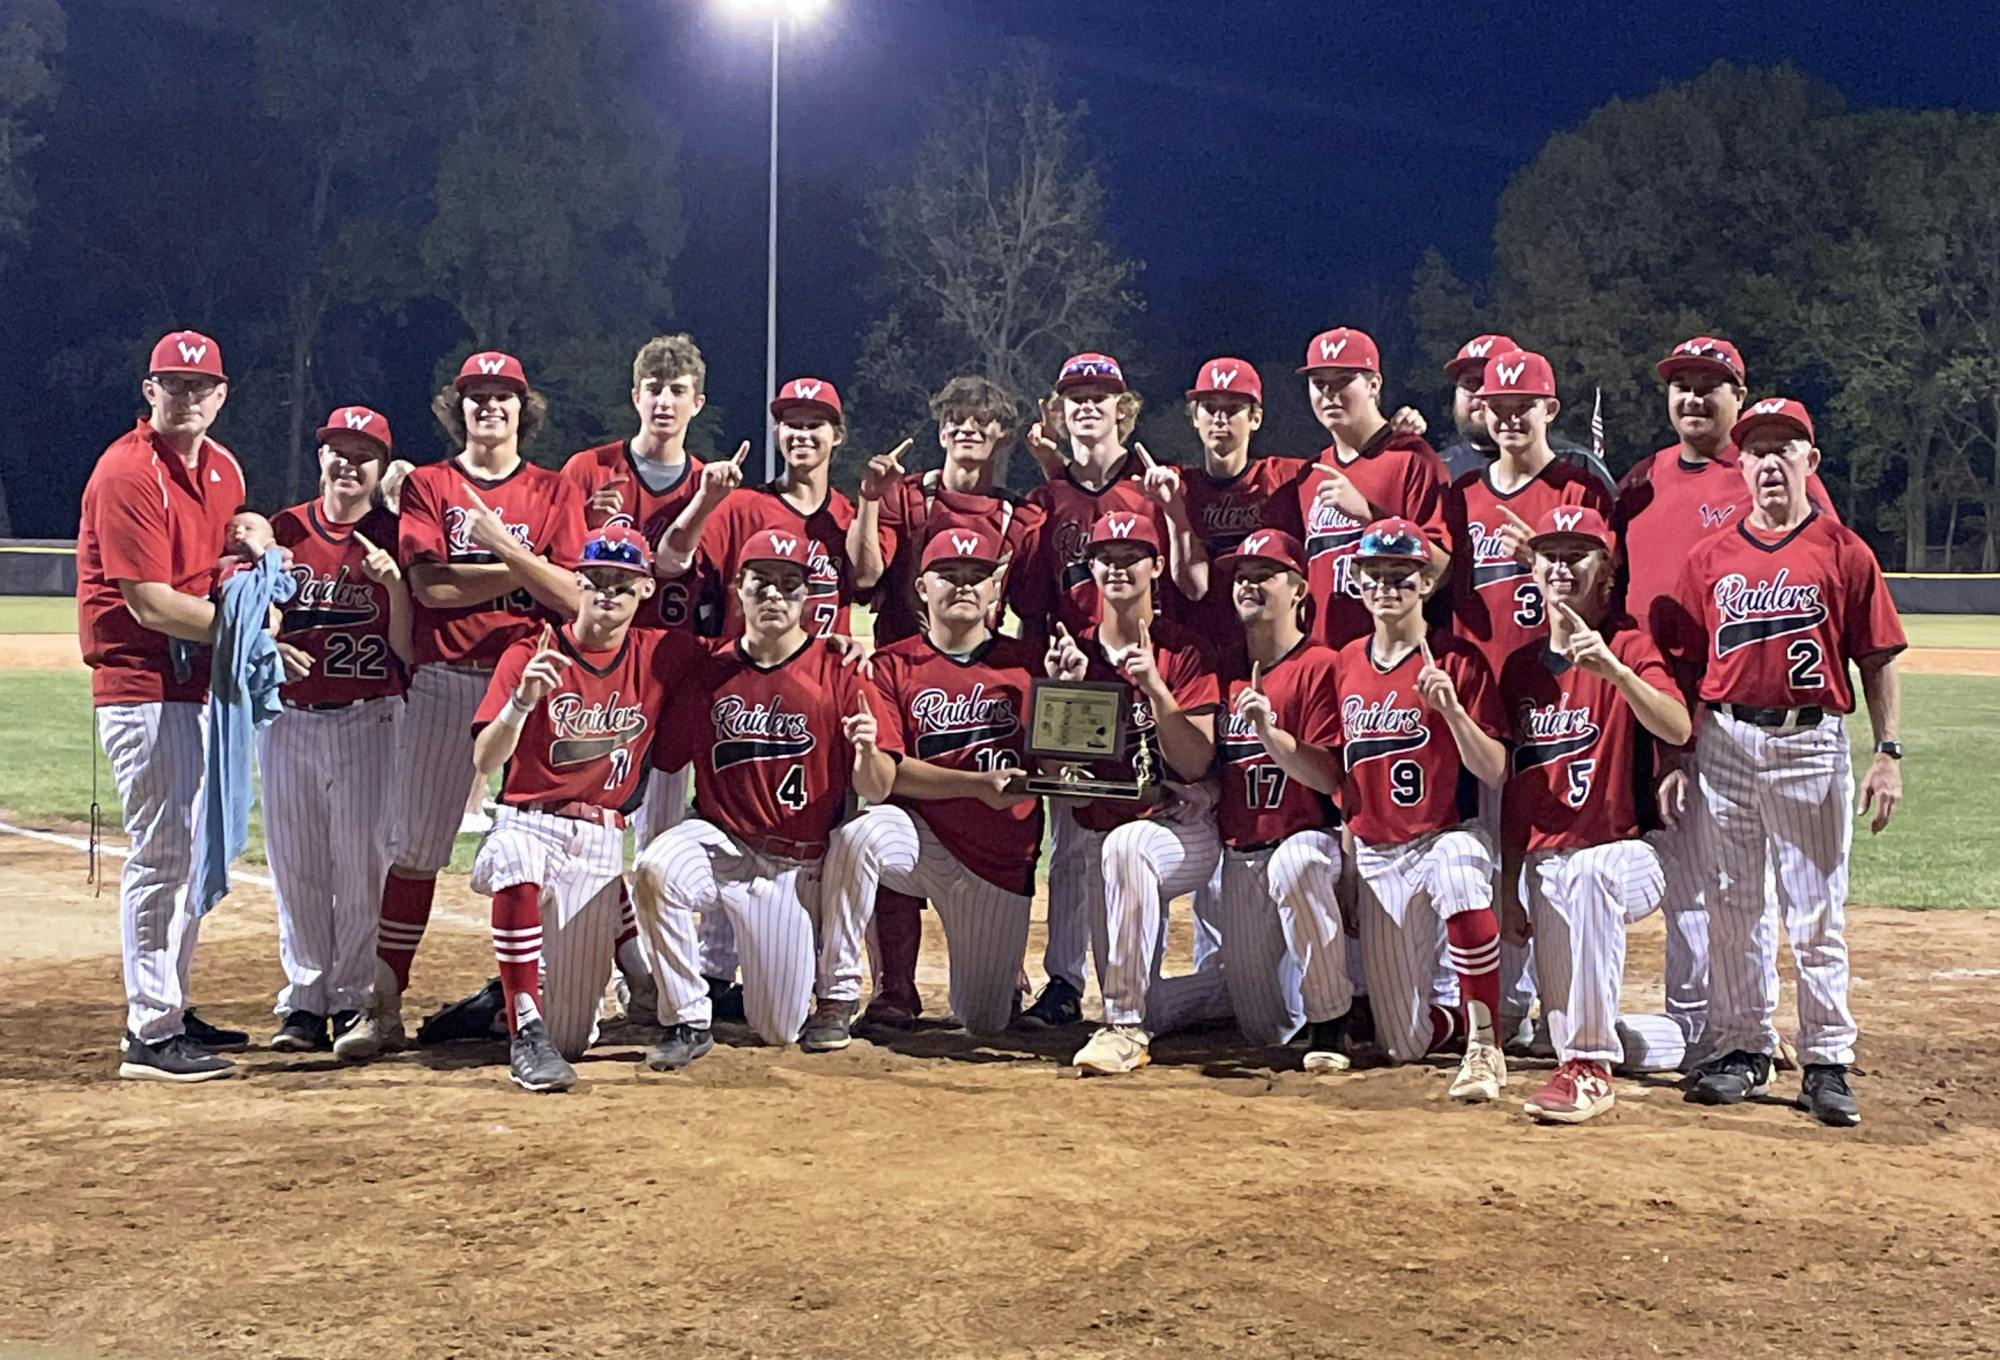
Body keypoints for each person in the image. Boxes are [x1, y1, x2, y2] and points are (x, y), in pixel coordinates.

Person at [1661, 398, 1905, 1128]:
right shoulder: (1711, 560)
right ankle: (1745, 1046)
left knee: (1816, 912)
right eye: (1757, 450)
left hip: (1809, 741)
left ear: (1810, 462)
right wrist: (1678, 754)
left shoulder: (1843, 549)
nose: (1769, 462)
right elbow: (1686, 668)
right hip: (1725, 744)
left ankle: (1827, 1056)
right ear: (1741, 466)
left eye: (1784, 448)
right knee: (1734, 907)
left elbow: (1878, 658)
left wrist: (1887, 752)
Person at [1611, 336, 1839, 1064]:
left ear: (1738, 398)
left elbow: (1825, 576)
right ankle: (1700, 1024)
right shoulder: (1640, 482)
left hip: (1737, 717)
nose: (1693, 397)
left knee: (1744, 885)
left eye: (1711, 384)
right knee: (1687, 874)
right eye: (1681, 384)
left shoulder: (1764, 477)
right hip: (1649, 707)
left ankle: (1742, 1030)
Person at [374, 351, 586, 1043]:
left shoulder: (555, 489)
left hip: (532, 679)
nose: (490, 406)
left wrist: (499, 562)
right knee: (418, 848)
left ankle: (544, 995)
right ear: (456, 408)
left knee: (548, 844)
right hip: (446, 678)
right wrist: (525, 568)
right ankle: (383, 1003)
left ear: (526, 410)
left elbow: (572, 593)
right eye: (476, 396)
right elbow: (432, 588)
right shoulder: (430, 485)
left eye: (504, 396)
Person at [78, 330, 266, 1080]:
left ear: (221, 396)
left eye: (200, 386)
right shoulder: (128, 471)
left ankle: (170, 1005)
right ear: (149, 389)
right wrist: (251, 636)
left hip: (198, 685)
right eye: (172, 384)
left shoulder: (221, 468)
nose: (186, 397)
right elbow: (152, 603)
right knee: (162, 855)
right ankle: (150, 1032)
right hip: (143, 683)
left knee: (189, 852)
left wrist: (254, 534)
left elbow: (215, 561)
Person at [631, 529, 893, 1066]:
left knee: (778, 1028)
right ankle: (687, 1017)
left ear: (806, 597)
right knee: (656, 866)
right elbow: (668, 758)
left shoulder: (841, 668)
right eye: (762, 583)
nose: (774, 596)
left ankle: (770, 985)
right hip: (721, 843)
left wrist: (866, 754)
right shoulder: (710, 669)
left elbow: (876, 789)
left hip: (791, 869)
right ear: (739, 590)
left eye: (789, 585)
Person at [843, 375, 1043, 1031]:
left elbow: (1040, 602)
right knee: (876, 825)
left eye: (982, 421)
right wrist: (870, 503)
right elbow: (868, 576)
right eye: (955, 417)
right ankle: (888, 986)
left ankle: (1002, 953)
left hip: (984, 672)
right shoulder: (911, 495)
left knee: (987, 1017)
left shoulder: (1019, 516)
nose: (966, 429)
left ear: (1002, 436)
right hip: (907, 679)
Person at [468, 526, 697, 1093]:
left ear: (645, 590)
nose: (608, 593)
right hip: (530, 819)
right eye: (596, 580)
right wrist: (521, 703)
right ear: (578, 582)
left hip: (600, 839)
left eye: (622, 583)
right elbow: (484, 757)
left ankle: (504, 1005)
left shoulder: (662, 653)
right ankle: (524, 1029)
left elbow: (753, 655)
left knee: (571, 1036)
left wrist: (832, 647)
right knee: (516, 864)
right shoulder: (531, 651)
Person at [809, 528, 1044, 1048]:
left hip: (999, 857)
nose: (963, 587)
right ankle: (842, 992)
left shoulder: (1030, 664)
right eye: (948, 576)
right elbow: (888, 774)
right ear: (921, 587)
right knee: (863, 834)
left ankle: (999, 986)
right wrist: (975, 785)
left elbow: (1056, 764)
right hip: (924, 843)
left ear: (994, 591)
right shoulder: (891, 664)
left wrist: (1070, 692)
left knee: (985, 1021)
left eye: (976, 577)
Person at [1496, 507, 1693, 1123]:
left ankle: (1589, 1070)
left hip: (1626, 856)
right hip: (1545, 865)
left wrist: (1616, 671)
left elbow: (1678, 724)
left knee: (1592, 874)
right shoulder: (1521, 668)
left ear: (1605, 573)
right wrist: (1508, 882)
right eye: (1549, 554)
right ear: (1533, 567)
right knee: (1561, 1027)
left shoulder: (1630, 645)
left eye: (1576, 554)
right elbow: (1516, 790)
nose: (1560, 566)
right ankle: (1681, 1040)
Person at [1008, 353, 1187, 1029]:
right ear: (1059, 410)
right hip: (1074, 683)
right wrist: (1044, 675)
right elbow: (1031, 602)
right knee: (1074, 838)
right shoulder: (1046, 502)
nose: (1088, 405)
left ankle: (1138, 980)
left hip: (1143, 675)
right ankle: (1064, 979)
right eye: (1075, 395)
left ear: (1124, 409)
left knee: (1147, 822)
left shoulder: (1152, 489)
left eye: (1101, 395)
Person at [1443, 348, 1615, 1047]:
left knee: (1548, 857)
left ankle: (1563, 1008)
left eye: (1524, 406)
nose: (1510, 418)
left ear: (1550, 410)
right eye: (1498, 406)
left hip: (1554, 692)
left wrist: (1536, 560)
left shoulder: (1577, 489)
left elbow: (1609, 586)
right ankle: (1499, 1006)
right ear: (1482, 409)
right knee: (1483, 857)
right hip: (1479, 696)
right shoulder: (1460, 493)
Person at [1334, 518, 1511, 1102]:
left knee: (1462, 867)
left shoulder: (1458, 660)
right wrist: (1350, 859)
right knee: (1403, 1044)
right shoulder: (1344, 664)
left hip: (1442, 835)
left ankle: (1486, 1042)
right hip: (1378, 851)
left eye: (1402, 577)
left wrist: (1456, 712)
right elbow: (1345, 779)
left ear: (1426, 583)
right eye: (1376, 575)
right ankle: (1453, 1021)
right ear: (1357, 581)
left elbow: (1494, 770)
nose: (1388, 588)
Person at [1042, 511, 1222, 1076]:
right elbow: (1057, 774)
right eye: (1106, 558)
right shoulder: (1076, 654)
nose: (1118, 568)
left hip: (1180, 830)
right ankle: (1229, 990)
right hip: (1105, 832)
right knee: (1164, 991)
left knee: (1129, 845)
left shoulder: (1183, 650)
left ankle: (1122, 1026)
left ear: (1157, 566)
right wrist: (1063, 697)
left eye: (1131, 556)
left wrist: (1156, 689)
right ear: (1090, 568)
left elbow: (1195, 761)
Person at [260, 406, 410, 1060]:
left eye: (363, 455)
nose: (348, 464)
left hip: (370, 716)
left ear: (380, 469)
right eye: (337, 451)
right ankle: (303, 998)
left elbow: (408, 644)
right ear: (321, 459)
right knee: (296, 863)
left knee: (361, 863)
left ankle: (351, 995)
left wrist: (396, 583)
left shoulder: (396, 534)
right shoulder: (285, 529)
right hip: (289, 718)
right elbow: (261, 609)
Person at [1209, 530, 1355, 1061]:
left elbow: (1328, 776)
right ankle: (1153, 1010)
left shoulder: (1322, 663)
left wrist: (1272, 735)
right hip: (1240, 850)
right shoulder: (1222, 666)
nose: (1248, 583)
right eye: (1242, 575)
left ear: (1298, 590)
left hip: (1307, 840)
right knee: (1260, 1027)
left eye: (1264, 573)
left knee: (1295, 866)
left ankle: (1330, 1022)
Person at [1289, 326, 1452, 650]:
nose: (1329, 394)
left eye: (1343, 381)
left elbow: (1442, 570)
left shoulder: (1412, 459)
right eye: (1319, 383)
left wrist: (1370, 516)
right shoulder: (1310, 473)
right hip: (1323, 656)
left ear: (1374, 384)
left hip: (1395, 660)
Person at [1434, 333, 1612, 489]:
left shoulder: (1578, 464)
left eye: (1491, 382)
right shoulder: (1438, 469)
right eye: (1470, 383)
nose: (1481, 394)